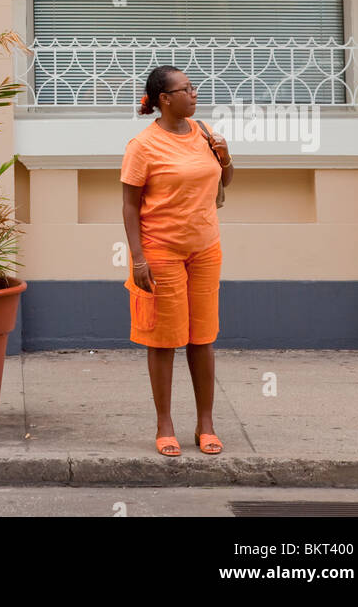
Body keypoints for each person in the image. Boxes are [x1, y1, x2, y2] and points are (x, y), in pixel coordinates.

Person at [120, 64, 234, 457]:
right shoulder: (143, 146)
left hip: (205, 249)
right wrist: (137, 259)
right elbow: (130, 205)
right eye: (186, 89)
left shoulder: (203, 132)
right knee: (164, 339)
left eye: (194, 87)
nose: (195, 93)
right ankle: (164, 423)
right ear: (164, 99)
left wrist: (226, 156)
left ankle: (206, 423)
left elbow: (225, 181)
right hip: (161, 250)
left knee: (202, 338)